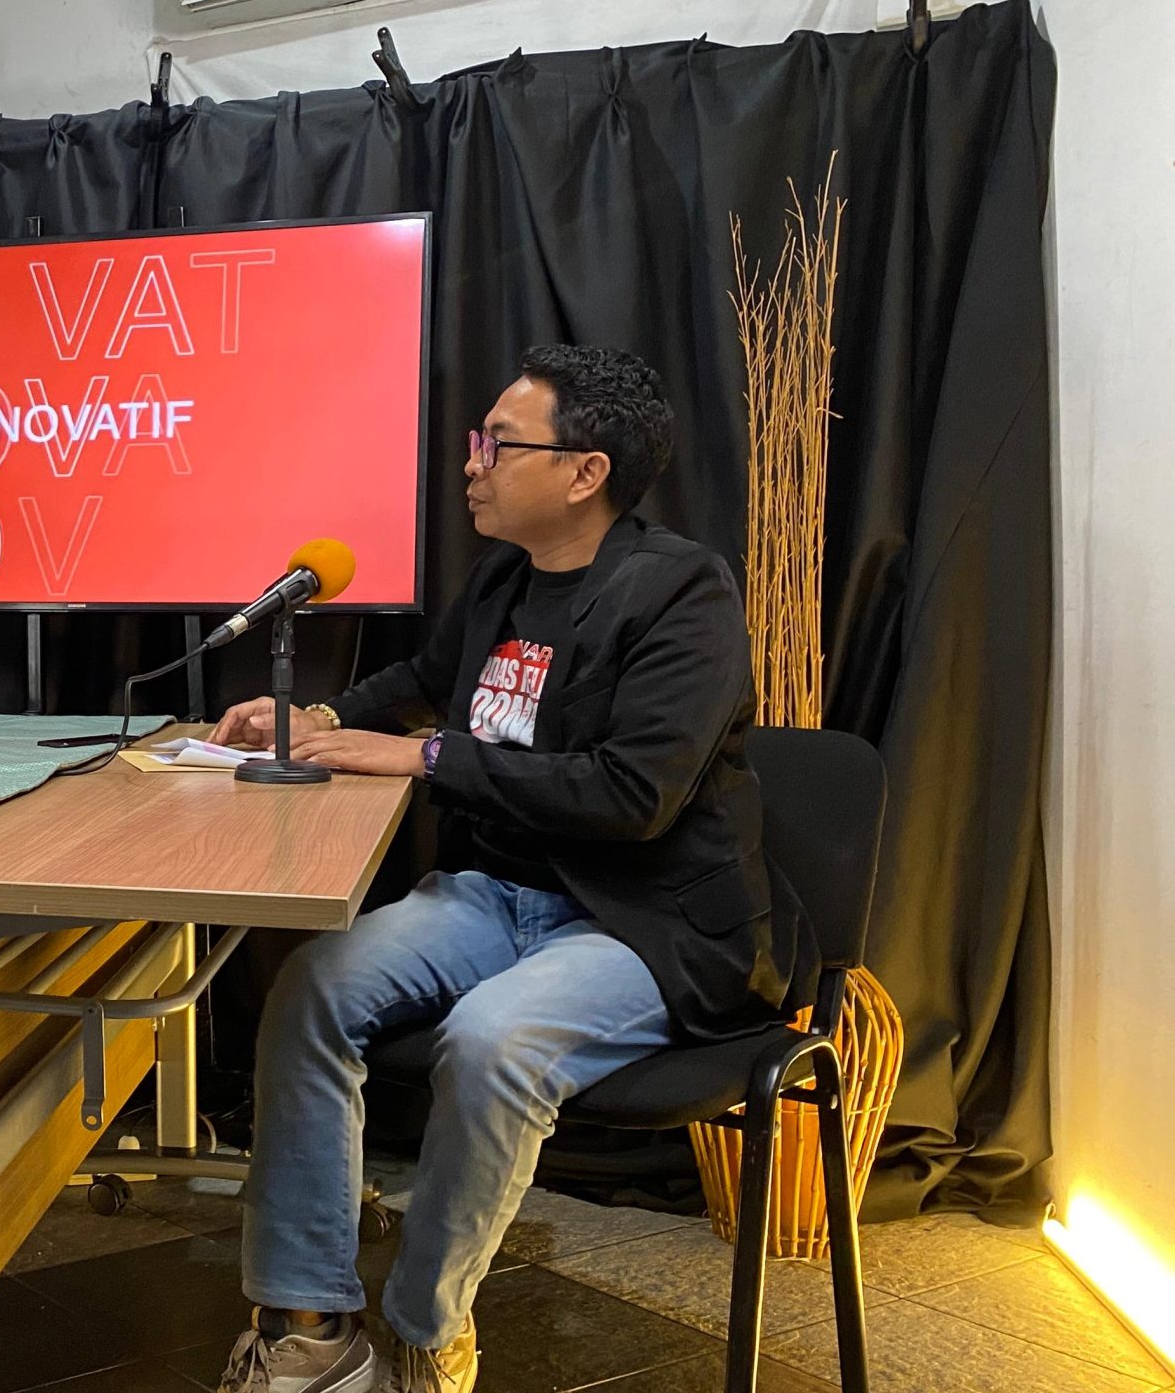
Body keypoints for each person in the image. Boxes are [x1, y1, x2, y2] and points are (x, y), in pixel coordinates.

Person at [207, 346, 814, 1393]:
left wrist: (425, 757)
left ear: (585, 472)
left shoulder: (682, 593)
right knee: (311, 990)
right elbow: (424, 678)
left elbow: (632, 795)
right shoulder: (503, 576)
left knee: (492, 1041)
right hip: (497, 897)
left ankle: (425, 1334)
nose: (471, 464)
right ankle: (307, 1327)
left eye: (498, 443)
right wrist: (315, 717)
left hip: (644, 922)